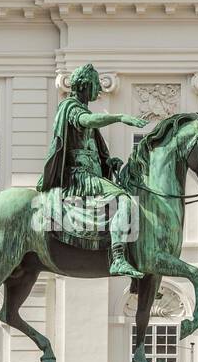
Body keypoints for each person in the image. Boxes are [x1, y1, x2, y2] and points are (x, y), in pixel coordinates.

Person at [37, 63, 148, 278]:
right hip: (78, 176)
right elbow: (86, 121)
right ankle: (117, 259)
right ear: (85, 86)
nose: (97, 92)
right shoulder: (70, 108)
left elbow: (92, 149)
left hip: (92, 174)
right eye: (95, 86)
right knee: (123, 199)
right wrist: (119, 117)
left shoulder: (81, 109)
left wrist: (108, 162)